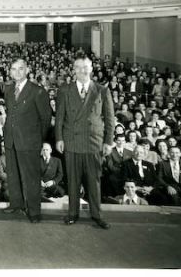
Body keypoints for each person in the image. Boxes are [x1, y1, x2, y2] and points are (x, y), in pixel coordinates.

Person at [56, 54, 115, 229]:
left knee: (94, 180)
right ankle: (73, 213)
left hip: (94, 143)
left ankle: (96, 214)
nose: (82, 70)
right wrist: (59, 138)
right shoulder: (64, 90)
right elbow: (59, 117)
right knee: (73, 180)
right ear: (73, 70)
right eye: (78, 67)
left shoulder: (102, 90)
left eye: (85, 67)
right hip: (72, 141)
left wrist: (108, 141)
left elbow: (110, 119)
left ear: (91, 68)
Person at [2, 58, 52, 223]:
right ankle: (16, 203)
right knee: (13, 175)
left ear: (27, 70)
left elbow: (45, 119)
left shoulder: (37, 91)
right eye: (13, 69)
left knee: (30, 178)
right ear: (10, 71)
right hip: (11, 140)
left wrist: (37, 139)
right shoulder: (8, 89)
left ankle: (34, 211)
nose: (17, 72)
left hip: (29, 142)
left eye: (20, 69)